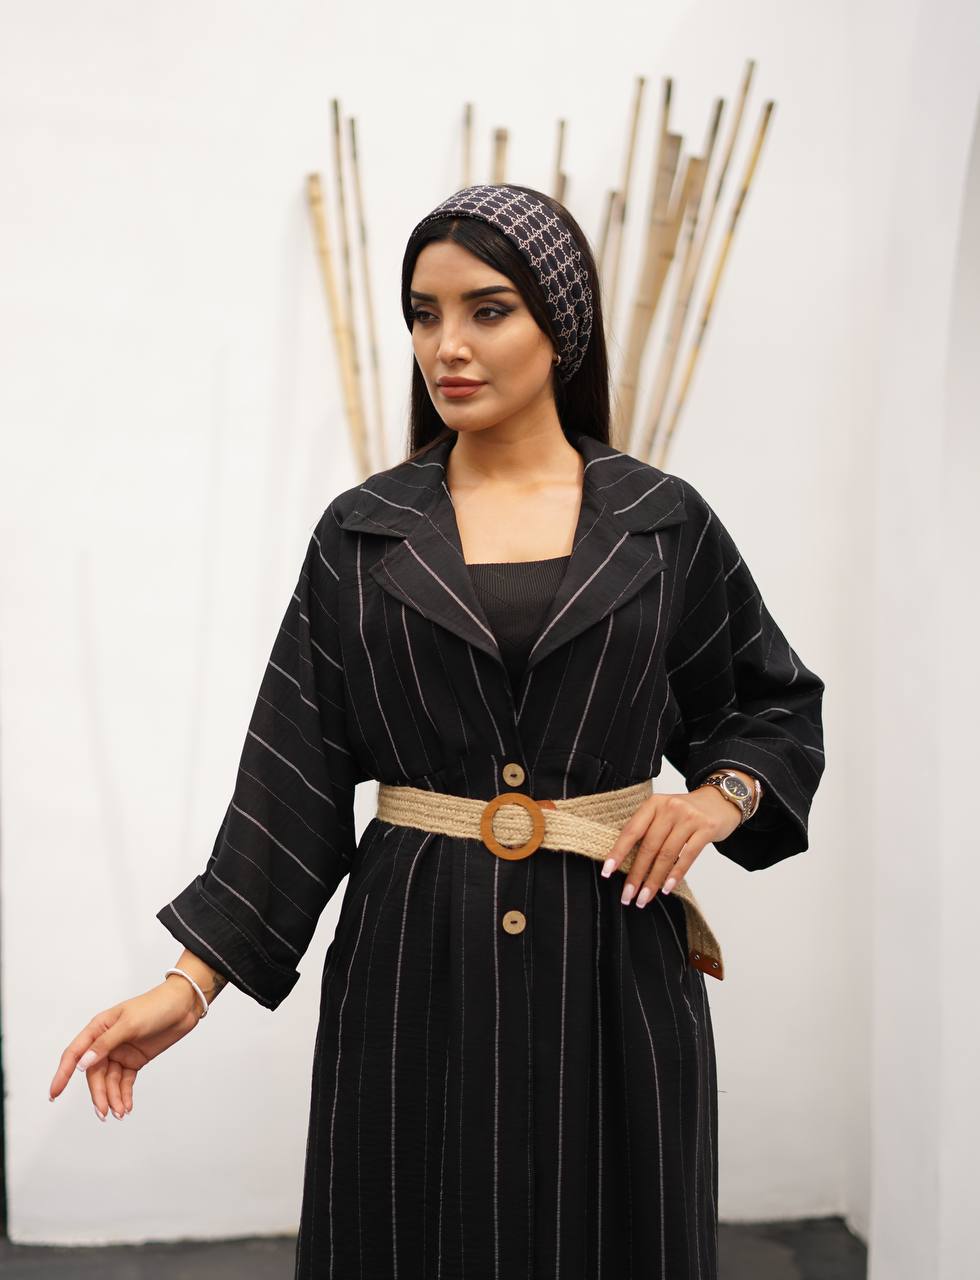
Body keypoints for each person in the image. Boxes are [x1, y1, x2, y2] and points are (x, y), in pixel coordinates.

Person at [49, 183, 825, 1278]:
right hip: (413, 970)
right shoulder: (362, 536)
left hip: (612, 968)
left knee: (617, 1236)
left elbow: (770, 703)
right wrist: (188, 986)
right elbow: (292, 777)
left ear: (560, 328)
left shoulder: (663, 526)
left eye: (486, 310)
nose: (446, 346)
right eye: (423, 314)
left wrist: (717, 797)